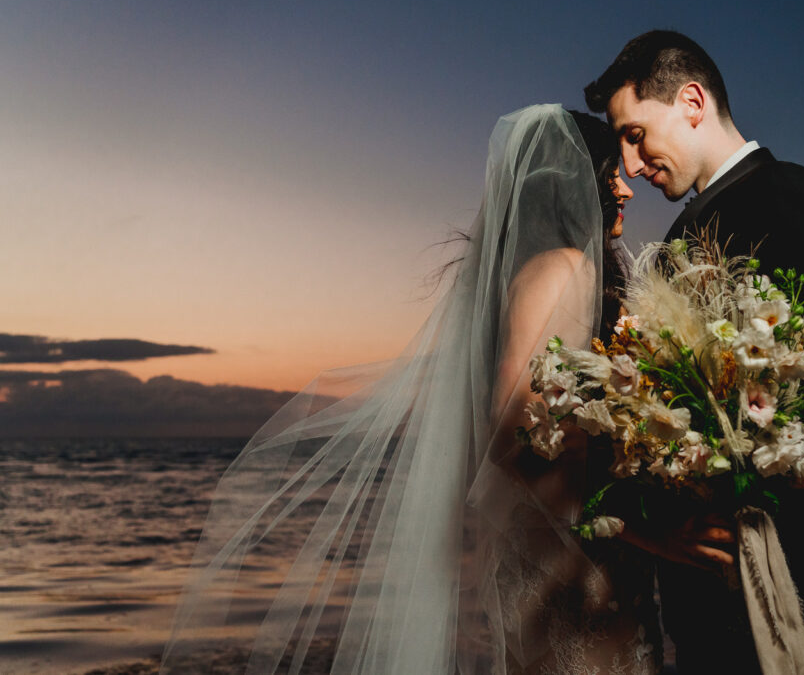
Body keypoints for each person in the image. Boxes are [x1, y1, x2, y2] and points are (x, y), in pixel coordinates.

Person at [159, 104, 661, 674]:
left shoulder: (525, 276)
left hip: (552, 553)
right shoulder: (564, 267)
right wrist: (632, 497)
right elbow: (515, 430)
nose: (626, 187)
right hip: (572, 562)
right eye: (609, 172)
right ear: (572, 182)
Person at [585, 30, 804, 674]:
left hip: (794, 582)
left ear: (692, 101)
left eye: (635, 134)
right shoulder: (685, 233)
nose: (630, 165)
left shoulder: (790, 195)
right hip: (707, 594)